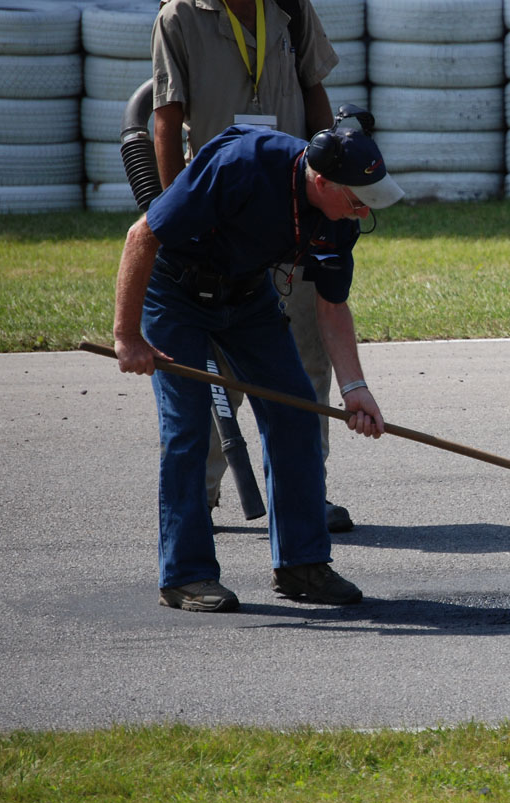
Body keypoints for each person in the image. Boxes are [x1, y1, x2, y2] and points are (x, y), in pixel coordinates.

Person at [112, 113, 405, 612]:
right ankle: (185, 575)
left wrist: (355, 387)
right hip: (176, 291)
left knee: (296, 412)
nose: (361, 213)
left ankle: (302, 564)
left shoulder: (339, 222)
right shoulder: (243, 165)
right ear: (320, 179)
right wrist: (127, 336)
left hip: (248, 296)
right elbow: (142, 236)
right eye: (356, 201)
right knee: (186, 428)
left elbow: (332, 306)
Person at [151, 0, 356, 532]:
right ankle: (202, 491)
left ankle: (307, 494)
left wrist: (326, 192)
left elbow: (315, 93)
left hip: (293, 215)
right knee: (217, 370)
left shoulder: (291, 6)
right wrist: (181, 216)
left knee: (309, 361)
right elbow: (166, 120)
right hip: (221, 219)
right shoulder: (178, 17)